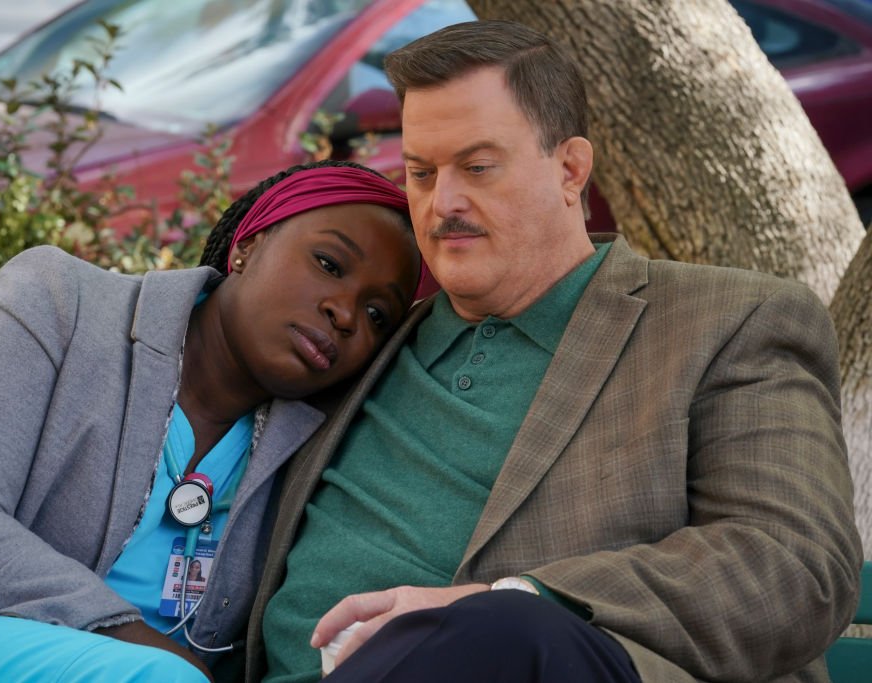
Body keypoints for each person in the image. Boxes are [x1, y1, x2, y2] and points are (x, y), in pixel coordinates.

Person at [246, 21, 863, 683]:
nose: (442, 203)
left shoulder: (726, 321)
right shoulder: (365, 337)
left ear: (570, 169)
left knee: (510, 631)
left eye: (477, 167)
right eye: (422, 173)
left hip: (547, 663)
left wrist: (511, 599)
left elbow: (794, 564)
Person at [0, 160, 424, 683]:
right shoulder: (60, 301)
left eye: (378, 314)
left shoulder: (320, 445)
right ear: (249, 244)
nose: (345, 313)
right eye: (328, 264)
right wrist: (146, 650)